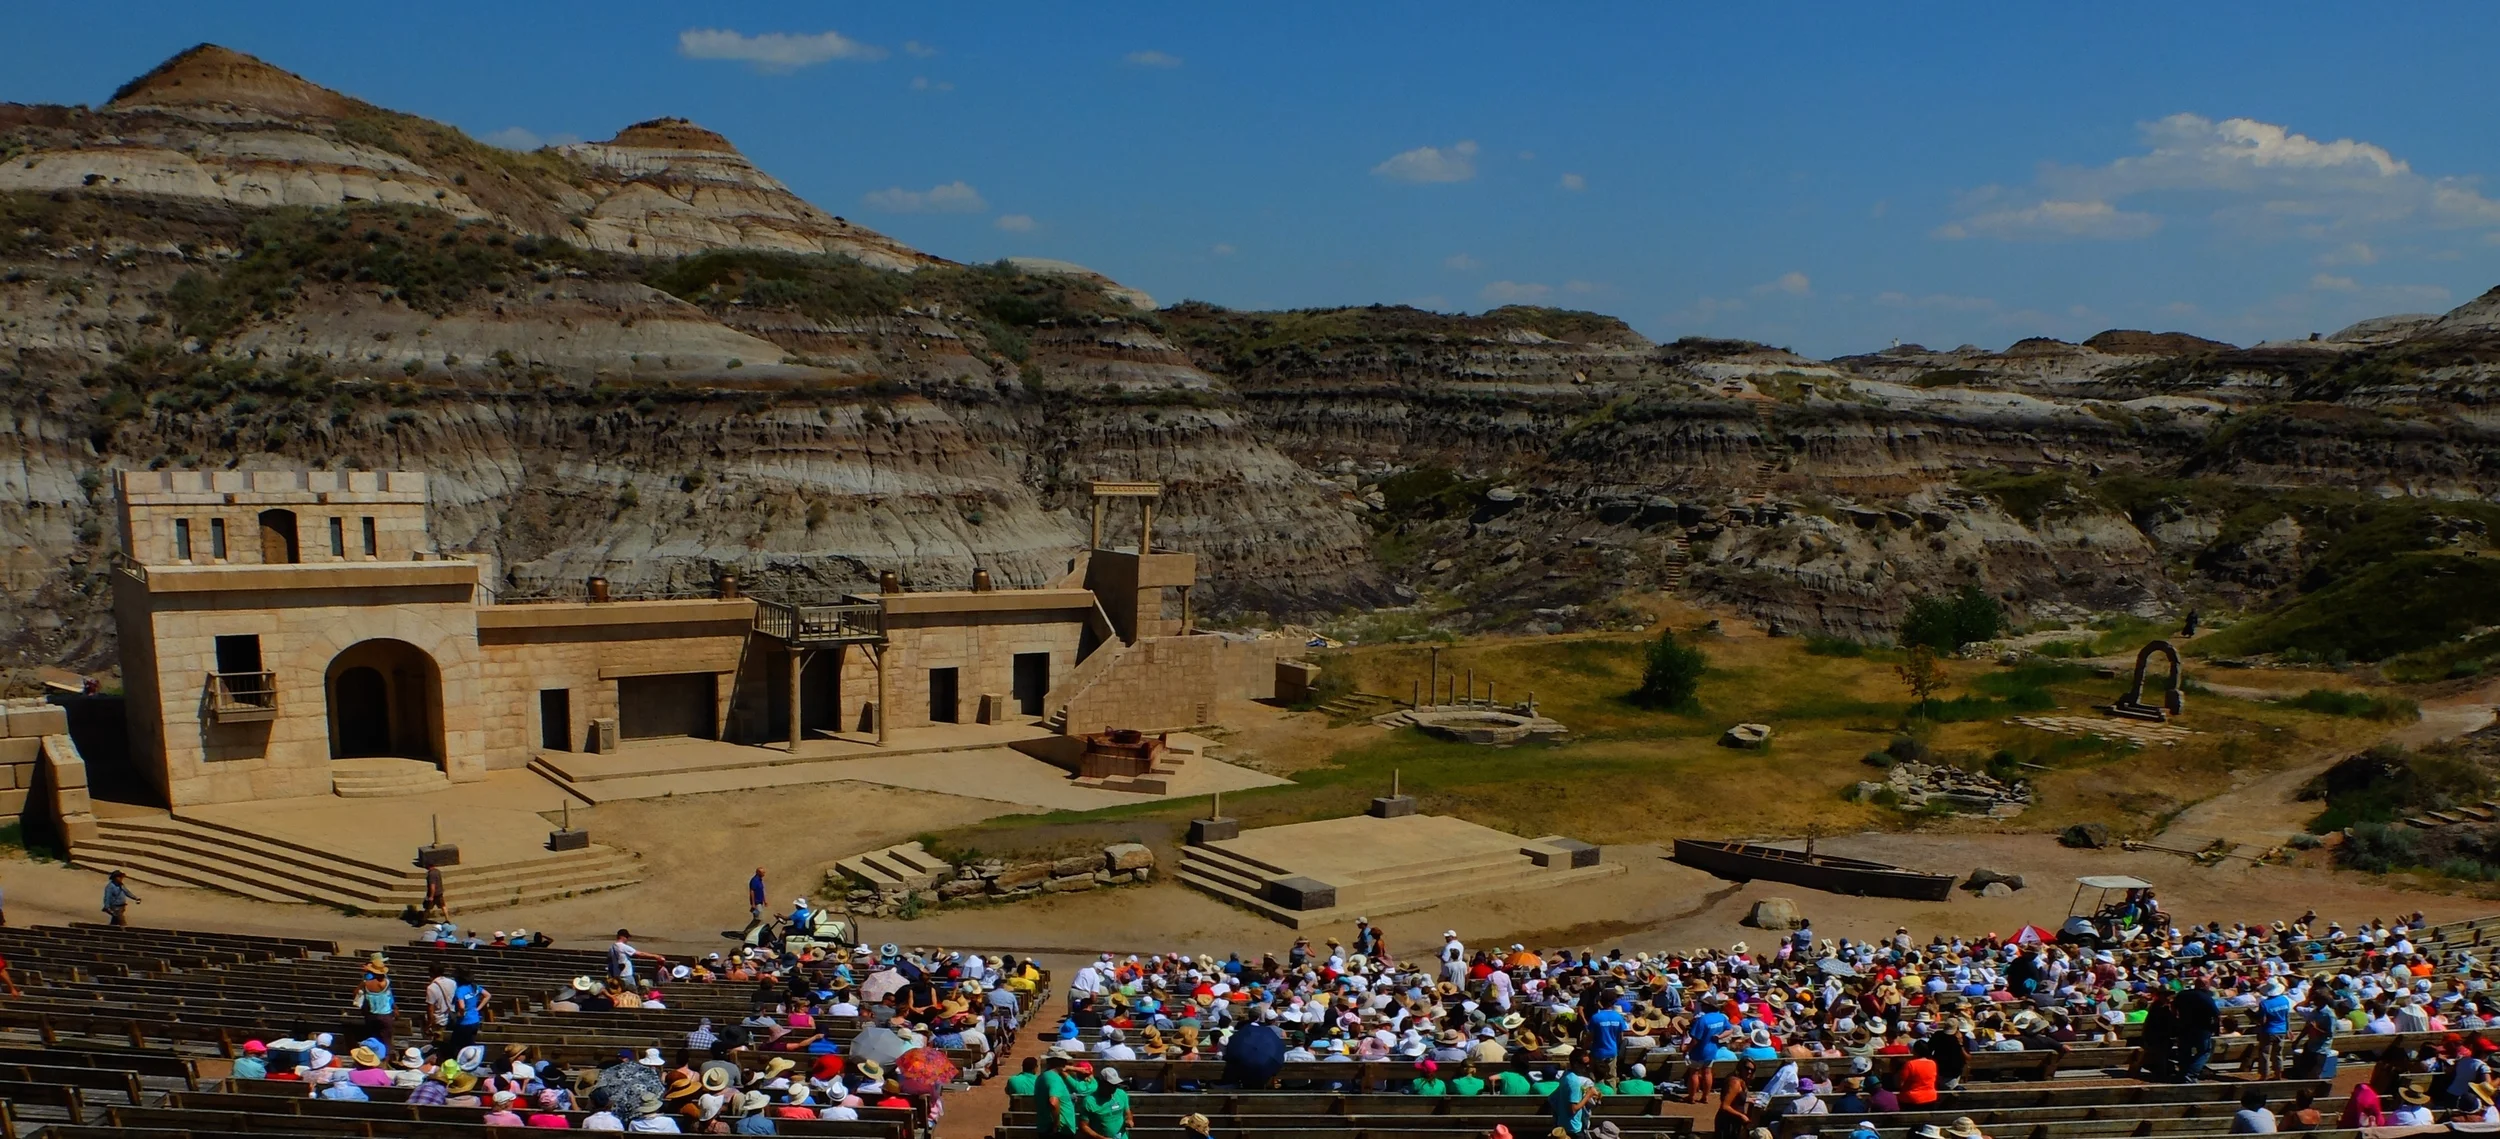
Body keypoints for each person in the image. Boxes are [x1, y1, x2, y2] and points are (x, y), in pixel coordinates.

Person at [1553, 1052, 1600, 1139]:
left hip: (1563, 1123)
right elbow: (1573, 1109)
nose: (1588, 1066)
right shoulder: (1574, 1082)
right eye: (1585, 1064)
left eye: (1589, 1064)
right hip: (1574, 1127)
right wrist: (1588, 1095)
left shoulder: (1566, 1075)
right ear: (1575, 1064)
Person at [1079, 1066, 1133, 1139]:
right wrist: (1100, 1137)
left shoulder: (1121, 1094)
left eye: (1115, 1084)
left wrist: (1129, 1119)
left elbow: (1127, 1112)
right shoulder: (1089, 1101)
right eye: (1110, 1085)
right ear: (1101, 1083)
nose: (1113, 1087)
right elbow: (1084, 1126)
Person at [1715, 1057, 1755, 1139]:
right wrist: (1741, 1116)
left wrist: (1747, 1100)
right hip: (1727, 1122)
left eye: (1752, 1070)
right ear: (1740, 1067)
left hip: (1735, 1121)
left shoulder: (1742, 1081)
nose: (1749, 1071)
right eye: (1747, 1068)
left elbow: (1736, 1098)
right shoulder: (1735, 1083)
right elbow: (1725, 1106)